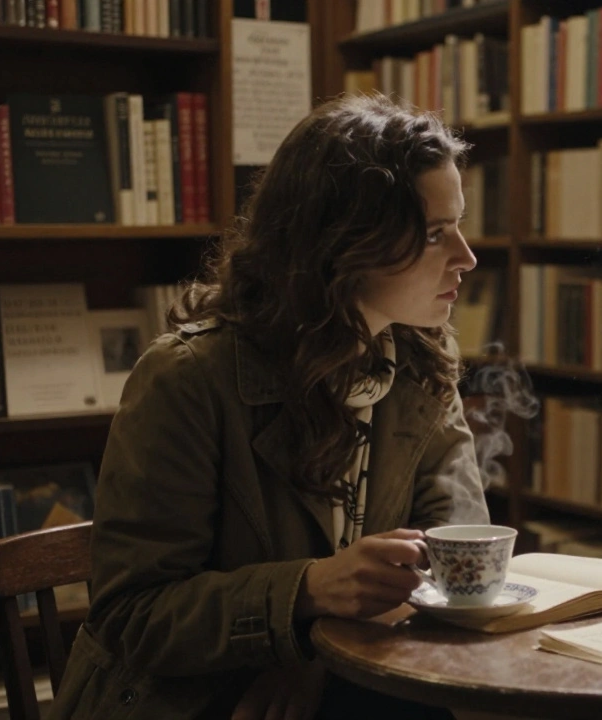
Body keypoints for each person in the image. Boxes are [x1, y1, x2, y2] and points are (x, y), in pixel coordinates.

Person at [49, 93, 485, 720]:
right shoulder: (188, 379)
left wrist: (311, 655)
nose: (466, 258)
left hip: (344, 680)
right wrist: (307, 591)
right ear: (344, 244)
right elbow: (131, 615)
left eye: (459, 225)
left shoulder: (416, 357)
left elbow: (455, 555)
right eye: (436, 233)